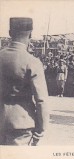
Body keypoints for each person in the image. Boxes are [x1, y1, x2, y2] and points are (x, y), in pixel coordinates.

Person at [0, 17, 49, 145]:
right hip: (21, 124)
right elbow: (41, 100)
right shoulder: (32, 62)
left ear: (10, 33)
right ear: (31, 34)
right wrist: (41, 128)